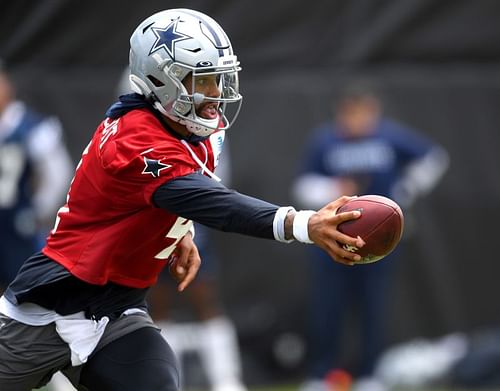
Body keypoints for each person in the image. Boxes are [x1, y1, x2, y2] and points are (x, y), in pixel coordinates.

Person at [0, 9, 365, 391]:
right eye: (203, 81)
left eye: (219, 80)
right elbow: (215, 203)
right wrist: (304, 225)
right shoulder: (135, 139)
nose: (216, 94)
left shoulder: (190, 130)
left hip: (117, 313)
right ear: (161, 80)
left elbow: (159, 200)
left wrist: (178, 231)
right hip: (50, 309)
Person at [293, 80, 449, 391]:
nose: (357, 119)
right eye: (351, 112)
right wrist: (332, 190)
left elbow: (434, 157)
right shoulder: (325, 141)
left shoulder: (389, 137)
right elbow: (302, 186)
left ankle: (369, 374)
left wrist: (405, 191)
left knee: (373, 307)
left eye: (363, 112)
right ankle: (322, 374)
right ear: (341, 112)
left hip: (379, 242)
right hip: (334, 238)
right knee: (328, 307)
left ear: (373, 111)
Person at [117, 66, 247, 391]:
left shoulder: (205, 124)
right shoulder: (133, 123)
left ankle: (226, 381)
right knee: (156, 303)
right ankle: (169, 380)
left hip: (187, 217)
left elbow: (217, 175)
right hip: (146, 221)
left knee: (204, 298)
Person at [0, 61, 73, 294]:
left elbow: (57, 175)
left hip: (18, 224)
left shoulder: (31, 127)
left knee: (23, 289)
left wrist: (37, 211)